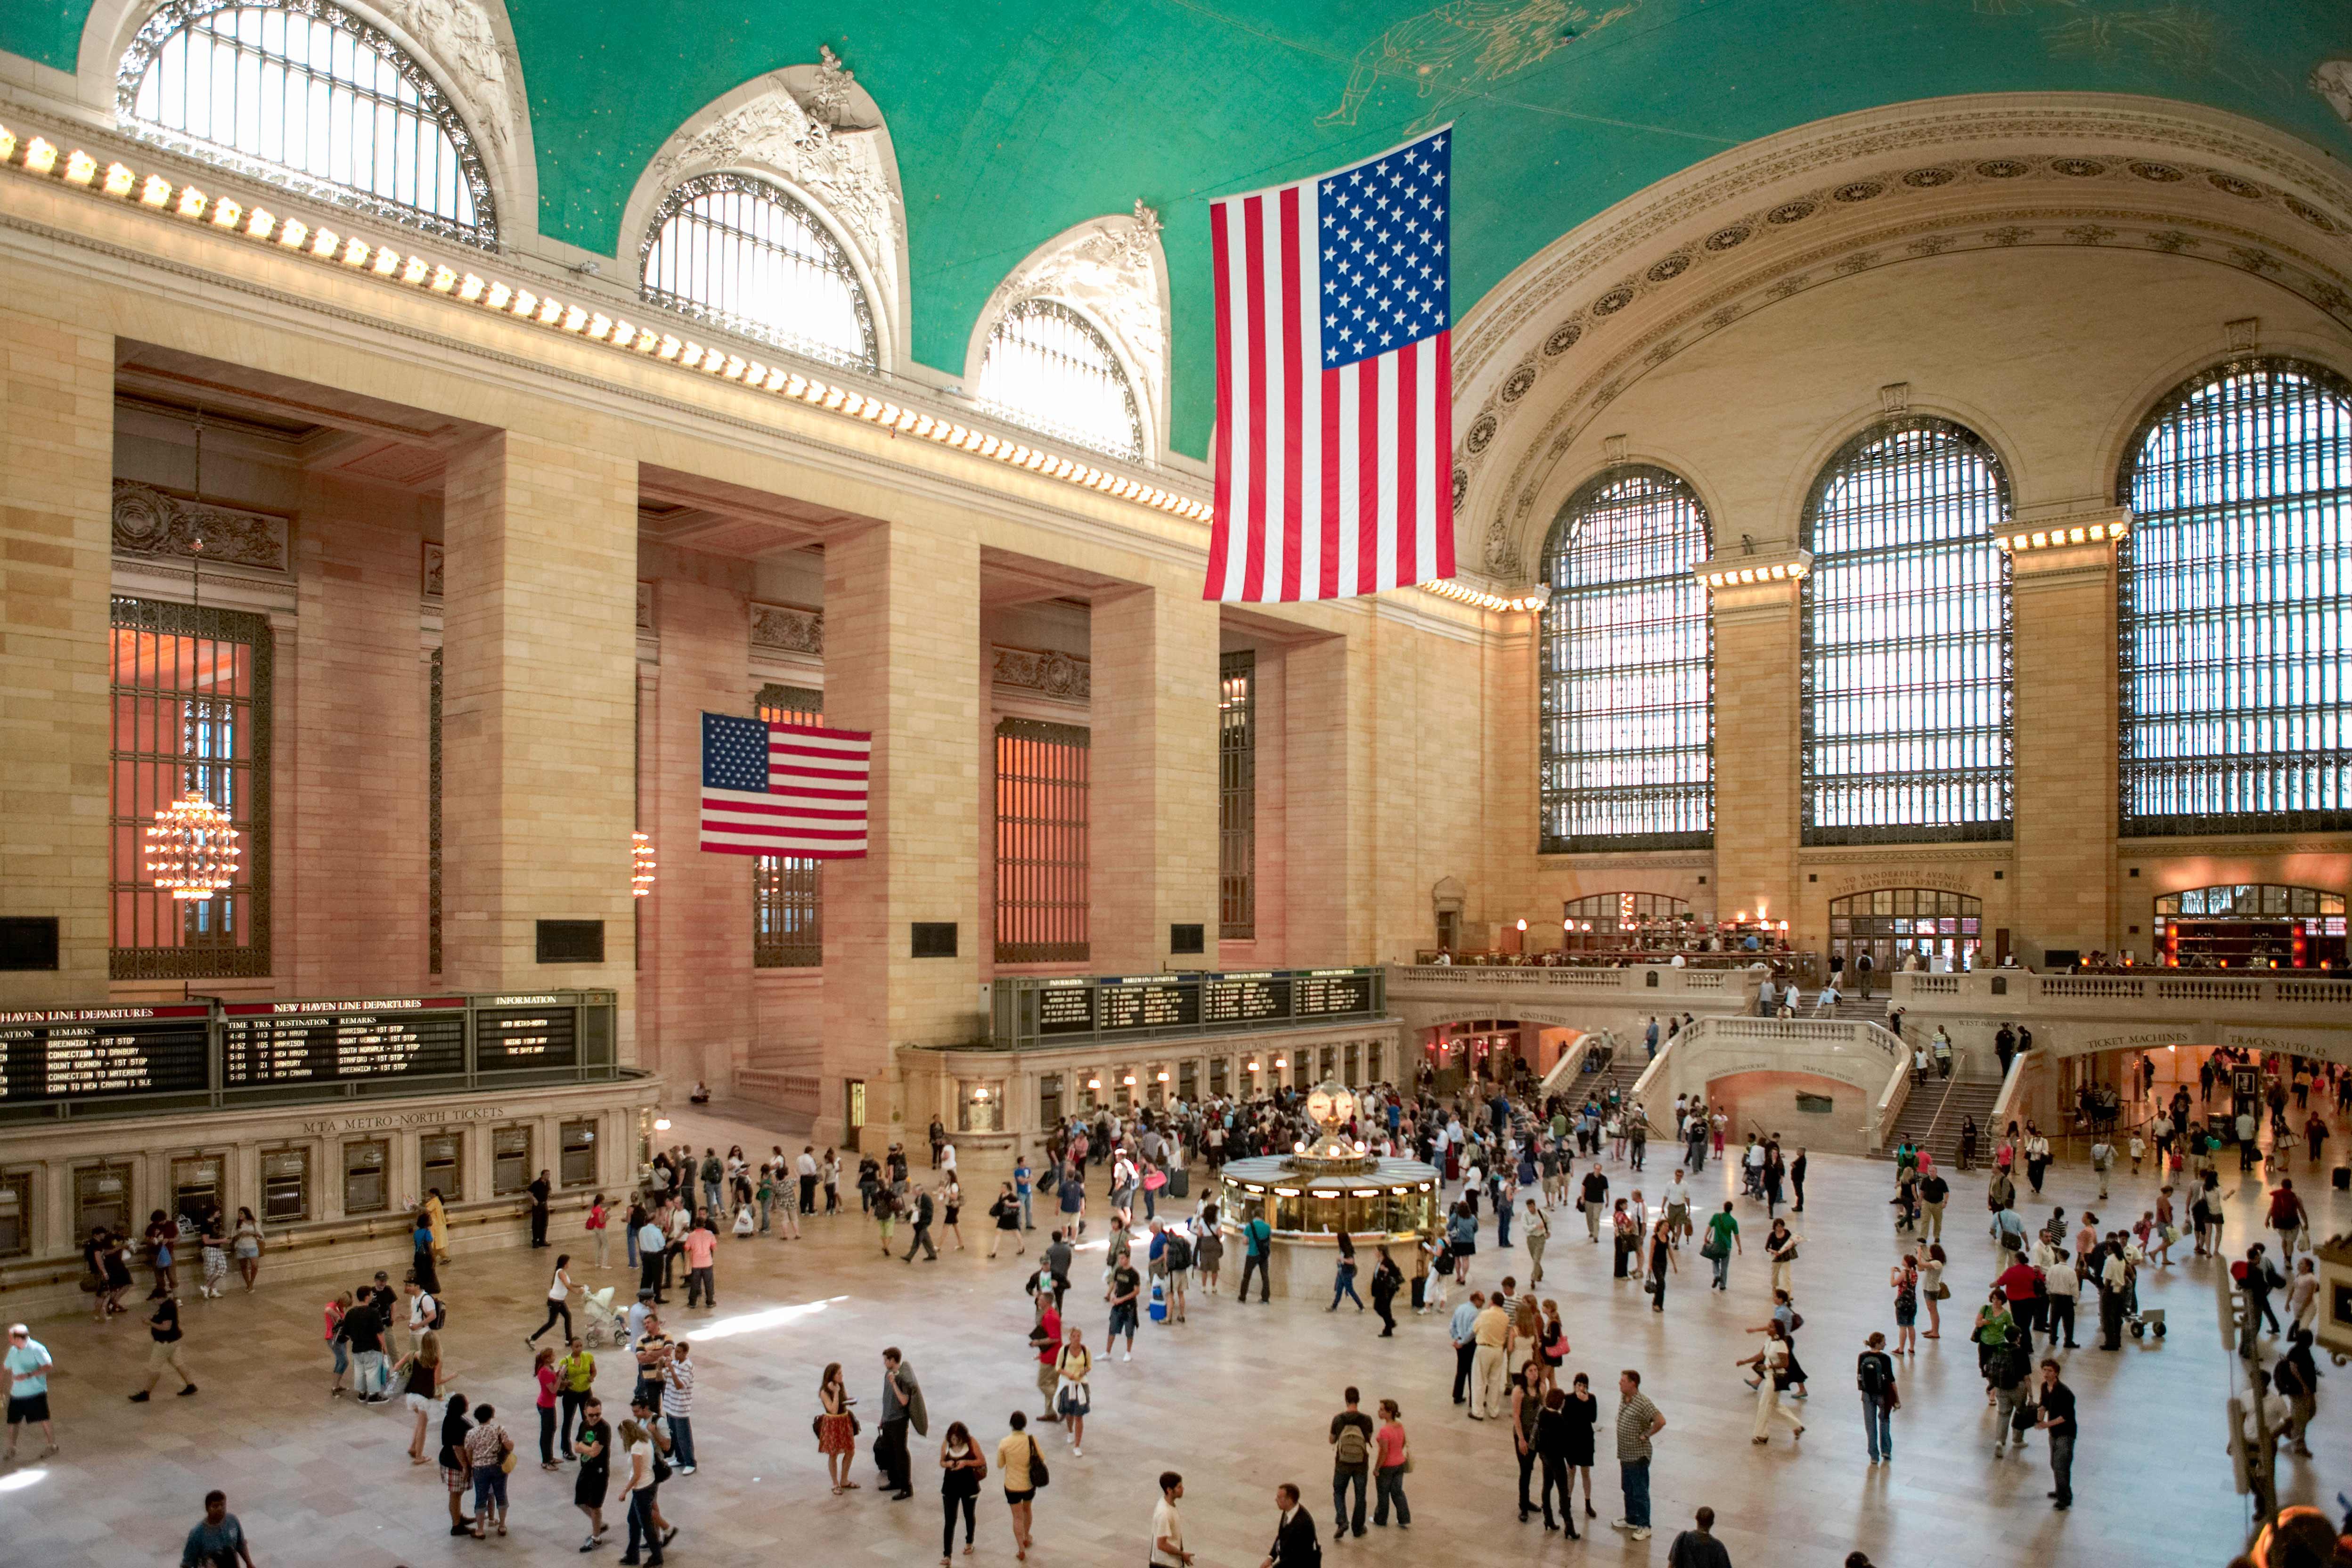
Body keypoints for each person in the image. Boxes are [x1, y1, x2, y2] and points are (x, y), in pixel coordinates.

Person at [1613, 1369, 1664, 1541]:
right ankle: (1632, 1519)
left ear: (1633, 1383)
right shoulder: (1624, 1398)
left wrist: (1647, 1434)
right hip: (1625, 1454)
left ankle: (1645, 1525)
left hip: (1638, 1456)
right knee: (1627, 1488)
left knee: (1640, 1491)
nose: (1620, 1383)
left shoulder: (1643, 1402)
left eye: (1623, 1380)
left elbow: (1660, 1420)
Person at [615, 1407, 664, 1566]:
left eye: (622, 1435)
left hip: (642, 1490)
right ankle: (632, 1555)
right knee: (633, 1520)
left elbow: (636, 1475)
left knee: (646, 1526)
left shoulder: (636, 1448)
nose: (621, 1438)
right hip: (649, 1485)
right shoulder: (646, 1439)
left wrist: (625, 1491)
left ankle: (656, 1556)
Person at [131, 1290, 196, 1402]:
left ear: (160, 1297)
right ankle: (191, 1386)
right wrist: (153, 1318)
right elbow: (163, 1319)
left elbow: (166, 1328)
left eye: (155, 1299)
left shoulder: (167, 1308)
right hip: (174, 1341)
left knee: (154, 1368)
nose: (155, 1302)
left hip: (165, 1343)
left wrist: (149, 1323)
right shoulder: (169, 1304)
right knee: (178, 1363)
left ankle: (145, 1394)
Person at [392, 1329, 446, 1463]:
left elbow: (397, 1367)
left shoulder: (413, 1355)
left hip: (411, 1395)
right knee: (423, 1426)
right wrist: (451, 1377)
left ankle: (413, 1447)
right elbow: (437, 1382)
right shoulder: (437, 1360)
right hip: (424, 1398)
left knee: (421, 1422)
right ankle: (419, 1457)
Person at [4, 1323, 57, 1461]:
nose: (9, 1340)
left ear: (18, 1338)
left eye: (11, 1337)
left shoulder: (37, 1349)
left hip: (35, 1392)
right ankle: (12, 1448)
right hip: (16, 1393)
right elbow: (5, 1368)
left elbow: (48, 1366)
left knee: (43, 1419)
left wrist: (29, 1375)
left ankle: (52, 1445)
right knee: (13, 1421)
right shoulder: (13, 1351)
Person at [938, 1420, 987, 1565]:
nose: (954, 1443)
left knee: (969, 1515)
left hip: (969, 1485)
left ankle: (969, 1542)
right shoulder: (946, 1444)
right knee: (949, 1520)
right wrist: (947, 1464)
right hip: (950, 1486)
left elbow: (981, 1460)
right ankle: (947, 1554)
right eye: (952, 1440)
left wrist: (966, 1463)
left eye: (957, 1440)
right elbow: (941, 1461)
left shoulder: (971, 1443)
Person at [572, 1394, 614, 1552]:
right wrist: (586, 1449)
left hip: (599, 1472)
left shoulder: (604, 1428)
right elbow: (576, 1447)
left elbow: (596, 1453)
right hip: (586, 1468)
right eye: (592, 1415)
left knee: (595, 1506)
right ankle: (599, 1524)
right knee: (580, 1501)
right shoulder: (584, 1425)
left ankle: (596, 1538)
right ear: (585, 1413)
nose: (595, 1418)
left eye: (598, 1414)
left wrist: (584, 1448)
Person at [465, 1401, 514, 1538]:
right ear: (492, 1416)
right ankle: (502, 1525)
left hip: (479, 1468)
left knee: (481, 1497)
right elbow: (508, 1446)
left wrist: (472, 1465)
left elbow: (468, 1452)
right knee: (501, 1495)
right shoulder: (499, 1429)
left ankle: (480, 1530)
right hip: (498, 1466)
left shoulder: (471, 1433)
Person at [997, 1411, 1041, 1561]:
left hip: (1011, 1485)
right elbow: (1042, 1458)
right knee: (1027, 1509)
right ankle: (1027, 1536)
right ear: (1025, 1424)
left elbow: (1000, 1464)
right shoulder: (1031, 1440)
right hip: (1029, 1484)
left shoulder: (1005, 1443)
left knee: (1017, 1517)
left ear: (1011, 1425)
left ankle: (1021, 1549)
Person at [2034, 1359, 2076, 1509]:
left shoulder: (2065, 1392)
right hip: (2054, 1433)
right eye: (2044, 1370)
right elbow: (2043, 1405)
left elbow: (2065, 1417)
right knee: (2055, 1464)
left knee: (2061, 1465)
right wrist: (2037, 1418)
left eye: (2050, 1371)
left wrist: (2046, 1425)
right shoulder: (2045, 1387)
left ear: (2056, 1373)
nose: (2046, 1374)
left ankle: (2064, 1499)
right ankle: (2062, 1491)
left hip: (2066, 1433)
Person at [180, 1488, 256, 1568]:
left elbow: (240, 1545)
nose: (220, 1509)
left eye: (222, 1505)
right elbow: (187, 1563)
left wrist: (249, 1564)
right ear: (207, 1508)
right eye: (215, 1506)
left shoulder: (232, 1521)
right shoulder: (197, 1534)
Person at [1856, 1331, 1899, 1464]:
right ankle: (1886, 1450)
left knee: (1870, 1425)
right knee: (1885, 1421)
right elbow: (1892, 1380)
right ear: (1879, 1343)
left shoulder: (1862, 1356)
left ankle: (1874, 1456)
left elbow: (1859, 1376)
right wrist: (1897, 1399)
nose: (1886, 1343)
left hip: (1867, 1395)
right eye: (1884, 1341)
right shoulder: (1885, 1358)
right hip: (1883, 1395)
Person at [817, 1361, 858, 1495]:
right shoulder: (824, 1391)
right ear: (832, 1375)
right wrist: (835, 1392)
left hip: (844, 1420)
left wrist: (848, 1400)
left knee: (850, 1451)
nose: (842, 1376)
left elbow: (843, 1400)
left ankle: (844, 1480)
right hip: (833, 1423)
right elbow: (833, 1410)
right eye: (839, 1373)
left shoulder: (840, 1385)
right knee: (833, 1454)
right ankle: (835, 1483)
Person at [1371, 1399, 1411, 1530]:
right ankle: (1404, 1518)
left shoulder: (1385, 1431)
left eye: (1382, 1409)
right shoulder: (1400, 1426)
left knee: (1383, 1494)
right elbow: (1404, 1442)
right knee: (1397, 1492)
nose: (1379, 1411)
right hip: (1400, 1463)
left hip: (1387, 1466)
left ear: (1389, 1413)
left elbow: (1384, 1452)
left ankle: (1381, 1519)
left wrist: (1377, 1468)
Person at [1262, 1481, 1321, 1568]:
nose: (1276, 1499)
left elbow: (1296, 1557)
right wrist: (1271, 1557)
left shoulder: (1303, 1524)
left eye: (1279, 1497)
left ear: (1290, 1501)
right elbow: (1281, 1536)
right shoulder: (1287, 1511)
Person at [662, 1339, 698, 1475]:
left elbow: (680, 1385)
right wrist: (663, 1367)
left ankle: (690, 1462)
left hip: (680, 1407)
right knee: (674, 1435)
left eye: (679, 1352)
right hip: (670, 1405)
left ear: (685, 1353)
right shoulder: (675, 1363)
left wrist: (671, 1370)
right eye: (675, 1351)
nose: (676, 1354)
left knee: (684, 1436)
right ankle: (680, 1458)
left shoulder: (688, 1367)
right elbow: (663, 1378)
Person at [1054, 1326, 1091, 1456]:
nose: (1077, 1339)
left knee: (1079, 1415)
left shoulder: (1085, 1350)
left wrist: (1083, 1371)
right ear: (1070, 1338)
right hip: (1068, 1385)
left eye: (1079, 1336)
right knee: (1069, 1413)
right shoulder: (1064, 1350)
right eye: (1074, 1336)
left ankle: (1077, 1445)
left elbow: (1089, 1366)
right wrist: (1067, 1374)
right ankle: (1070, 1430)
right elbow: (1058, 1367)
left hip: (1081, 1384)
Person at [1666, 1506, 1732, 1568]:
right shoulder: (1718, 1547)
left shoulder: (1683, 1538)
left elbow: (1671, 1565)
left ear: (1696, 1518)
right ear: (1712, 1523)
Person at [1107, 1250, 1143, 1361]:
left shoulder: (1134, 1274)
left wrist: (1122, 1299)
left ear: (1128, 1259)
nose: (1121, 1261)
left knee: (1129, 1330)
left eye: (1122, 1258)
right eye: (1119, 1259)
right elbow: (1116, 1284)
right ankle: (1107, 1352)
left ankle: (1128, 1352)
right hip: (1117, 1305)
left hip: (1129, 1307)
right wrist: (1111, 1294)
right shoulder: (1118, 1270)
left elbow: (1136, 1291)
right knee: (1112, 1328)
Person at [1153, 1470, 1193, 1568]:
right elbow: (1161, 1544)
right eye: (1179, 1487)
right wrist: (1182, 1554)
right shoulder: (1165, 1513)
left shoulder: (1167, 1503)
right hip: (1166, 1564)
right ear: (1169, 1490)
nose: (1183, 1489)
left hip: (1171, 1562)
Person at [1701, 1202, 1740, 1291]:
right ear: (1731, 1209)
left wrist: (1706, 1237)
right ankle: (1722, 1285)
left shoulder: (1716, 1217)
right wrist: (1739, 1247)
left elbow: (1709, 1227)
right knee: (1725, 1266)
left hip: (1717, 1245)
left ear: (1724, 1208)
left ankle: (1717, 1275)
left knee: (1715, 1261)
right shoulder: (1733, 1221)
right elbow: (1736, 1235)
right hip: (1727, 1247)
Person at [1240, 1209, 1274, 1302]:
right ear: (1262, 1215)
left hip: (1252, 1254)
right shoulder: (1268, 1227)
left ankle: (1243, 1297)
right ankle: (1265, 1298)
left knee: (1247, 1276)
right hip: (1263, 1255)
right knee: (1265, 1277)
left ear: (1254, 1215)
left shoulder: (1249, 1226)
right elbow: (1270, 1241)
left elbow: (1245, 1241)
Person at [1369, 1245, 1403, 1336]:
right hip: (1380, 1289)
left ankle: (1388, 1328)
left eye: (1376, 1250)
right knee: (1378, 1307)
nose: (1374, 1252)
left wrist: (1386, 1270)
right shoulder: (1380, 1261)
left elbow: (1395, 1272)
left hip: (1387, 1289)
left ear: (1381, 1252)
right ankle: (1390, 1323)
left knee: (1384, 1307)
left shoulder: (1388, 1261)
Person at [904, 1184, 940, 1263]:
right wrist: (907, 1216)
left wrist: (921, 1211)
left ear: (920, 1191)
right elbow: (915, 1208)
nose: (913, 1192)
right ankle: (933, 1254)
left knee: (918, 1238)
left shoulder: (927, 1199)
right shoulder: (918, 1198)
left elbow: (930, 1212)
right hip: (920, 1221)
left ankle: (910, 1256)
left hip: (924, 1222)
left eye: (915, 1191)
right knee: (926, 1239)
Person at [529, 1168, 553, 1250]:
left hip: (544, 1204)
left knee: (545, 1223)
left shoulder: (548, 1183)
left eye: (549, 1175)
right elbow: (529, 1192)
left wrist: (550, 1193)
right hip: (538, 1205)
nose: (548, 1176)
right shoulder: (537, 1183)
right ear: (543, 1175)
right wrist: (534, 1199)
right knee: (536, 1223)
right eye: (547, 1175)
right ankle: (535, 1241)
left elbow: (549, 1190)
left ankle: (543, 1240)